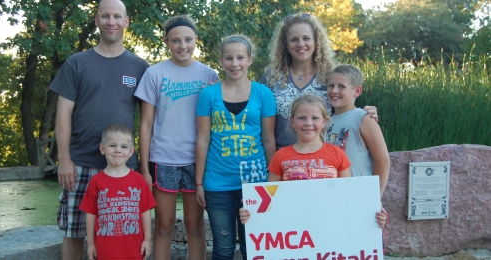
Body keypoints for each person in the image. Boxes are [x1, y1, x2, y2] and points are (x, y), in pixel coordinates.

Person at [49, 0, 150, 259]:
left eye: (117, 16)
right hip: (80, 163)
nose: (111, 21)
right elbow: (63, 114)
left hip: (123, 167)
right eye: (105, 16)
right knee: (74, 232)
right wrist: (64, 159)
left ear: (126, 21)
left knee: (124, 234)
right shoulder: (76, 63)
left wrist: (145, 168)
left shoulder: (140, 68)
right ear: (96, 20)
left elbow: (148, 122)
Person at [134, 14, 219, 260]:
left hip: (198, 160)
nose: (183, 46)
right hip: (164, 158)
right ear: (167, 42)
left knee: (195, 225)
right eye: (176, 40)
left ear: (195, 40)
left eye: (188, 40)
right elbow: (146, 123)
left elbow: (215, 121)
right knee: (164, 224)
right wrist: (144, 166)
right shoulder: (154, 73)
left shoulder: (209, 75)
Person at [239, 94, 387, 228]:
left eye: (315, 118)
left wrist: (371, 211)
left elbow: (347, 197)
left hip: (330, 229)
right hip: (292, 230)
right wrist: (252, 213)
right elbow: (269, 200)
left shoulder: (337, 154)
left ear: (324, 122)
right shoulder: (280, 156)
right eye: (302, 118)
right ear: (292, 121)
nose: (308, 123)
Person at [196, 34, 276, 260]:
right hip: (217, 184)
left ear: (249, 60)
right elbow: (203, 139)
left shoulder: (263, 93)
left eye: (240, 57)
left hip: (255, 183)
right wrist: (199, 182)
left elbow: (268, 139)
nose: (235, 63)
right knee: (223, 249)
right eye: (229, 58)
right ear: (221, 61)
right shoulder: (208, 94)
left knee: (253, 248)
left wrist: (272, 181)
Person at [259, 13, 378, 150]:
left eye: (306, 38)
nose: (301, 44)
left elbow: (347, 111)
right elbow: (260, 122)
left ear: (316, 41)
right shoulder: (271, 77)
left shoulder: (331, 76)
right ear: (285, 44)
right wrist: (274, 166)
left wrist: (367, 113)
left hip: (324, 160)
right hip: (283, 159)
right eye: (294, 39)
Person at [79, 125, 157, 260]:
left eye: (124, 147)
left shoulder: (138, 179)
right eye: (112, 145)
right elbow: (90, 214)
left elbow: (145, 211)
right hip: (105, 250)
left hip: (133, 248)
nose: (118, 150)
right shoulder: (96, 181)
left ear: (131, 151)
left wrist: (147, 240)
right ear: (102, 149)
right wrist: (91, 244)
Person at [325, 64, 390, 196]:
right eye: (331, 85)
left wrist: (375, 196)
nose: (334, 91)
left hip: (357, 194)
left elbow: (383, 160)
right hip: (332, 194)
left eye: (341, 86)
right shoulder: (325, 122)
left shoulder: (364, 119)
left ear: (357, 91)